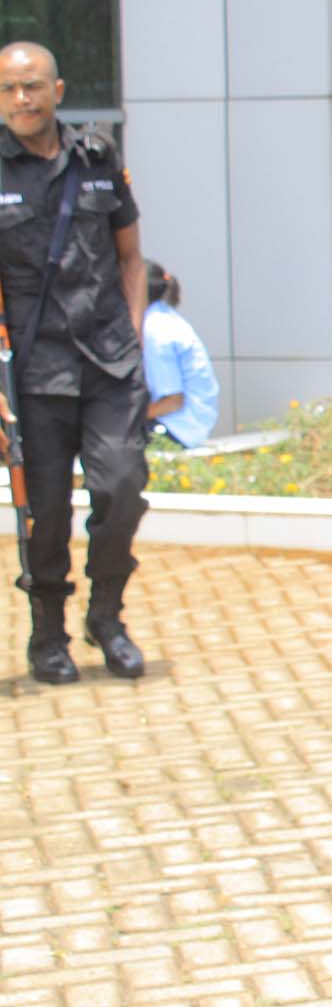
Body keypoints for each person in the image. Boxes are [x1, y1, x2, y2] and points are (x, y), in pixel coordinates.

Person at [0, 41, 149, 684]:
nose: (21, 99)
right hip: (36, 373)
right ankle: (48, 635)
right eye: (9, 89)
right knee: (47, 512)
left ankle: (107, 617)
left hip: (110, 364)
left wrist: (134, 338)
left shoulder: (97, 158)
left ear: (57, 91)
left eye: (32, 86)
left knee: (121, 487)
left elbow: (131, 257)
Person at [141, 262, 219, 448]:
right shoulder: (164, 317)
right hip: (193, 424)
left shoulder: (154, 329)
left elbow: (173, 401)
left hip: (176, 429)